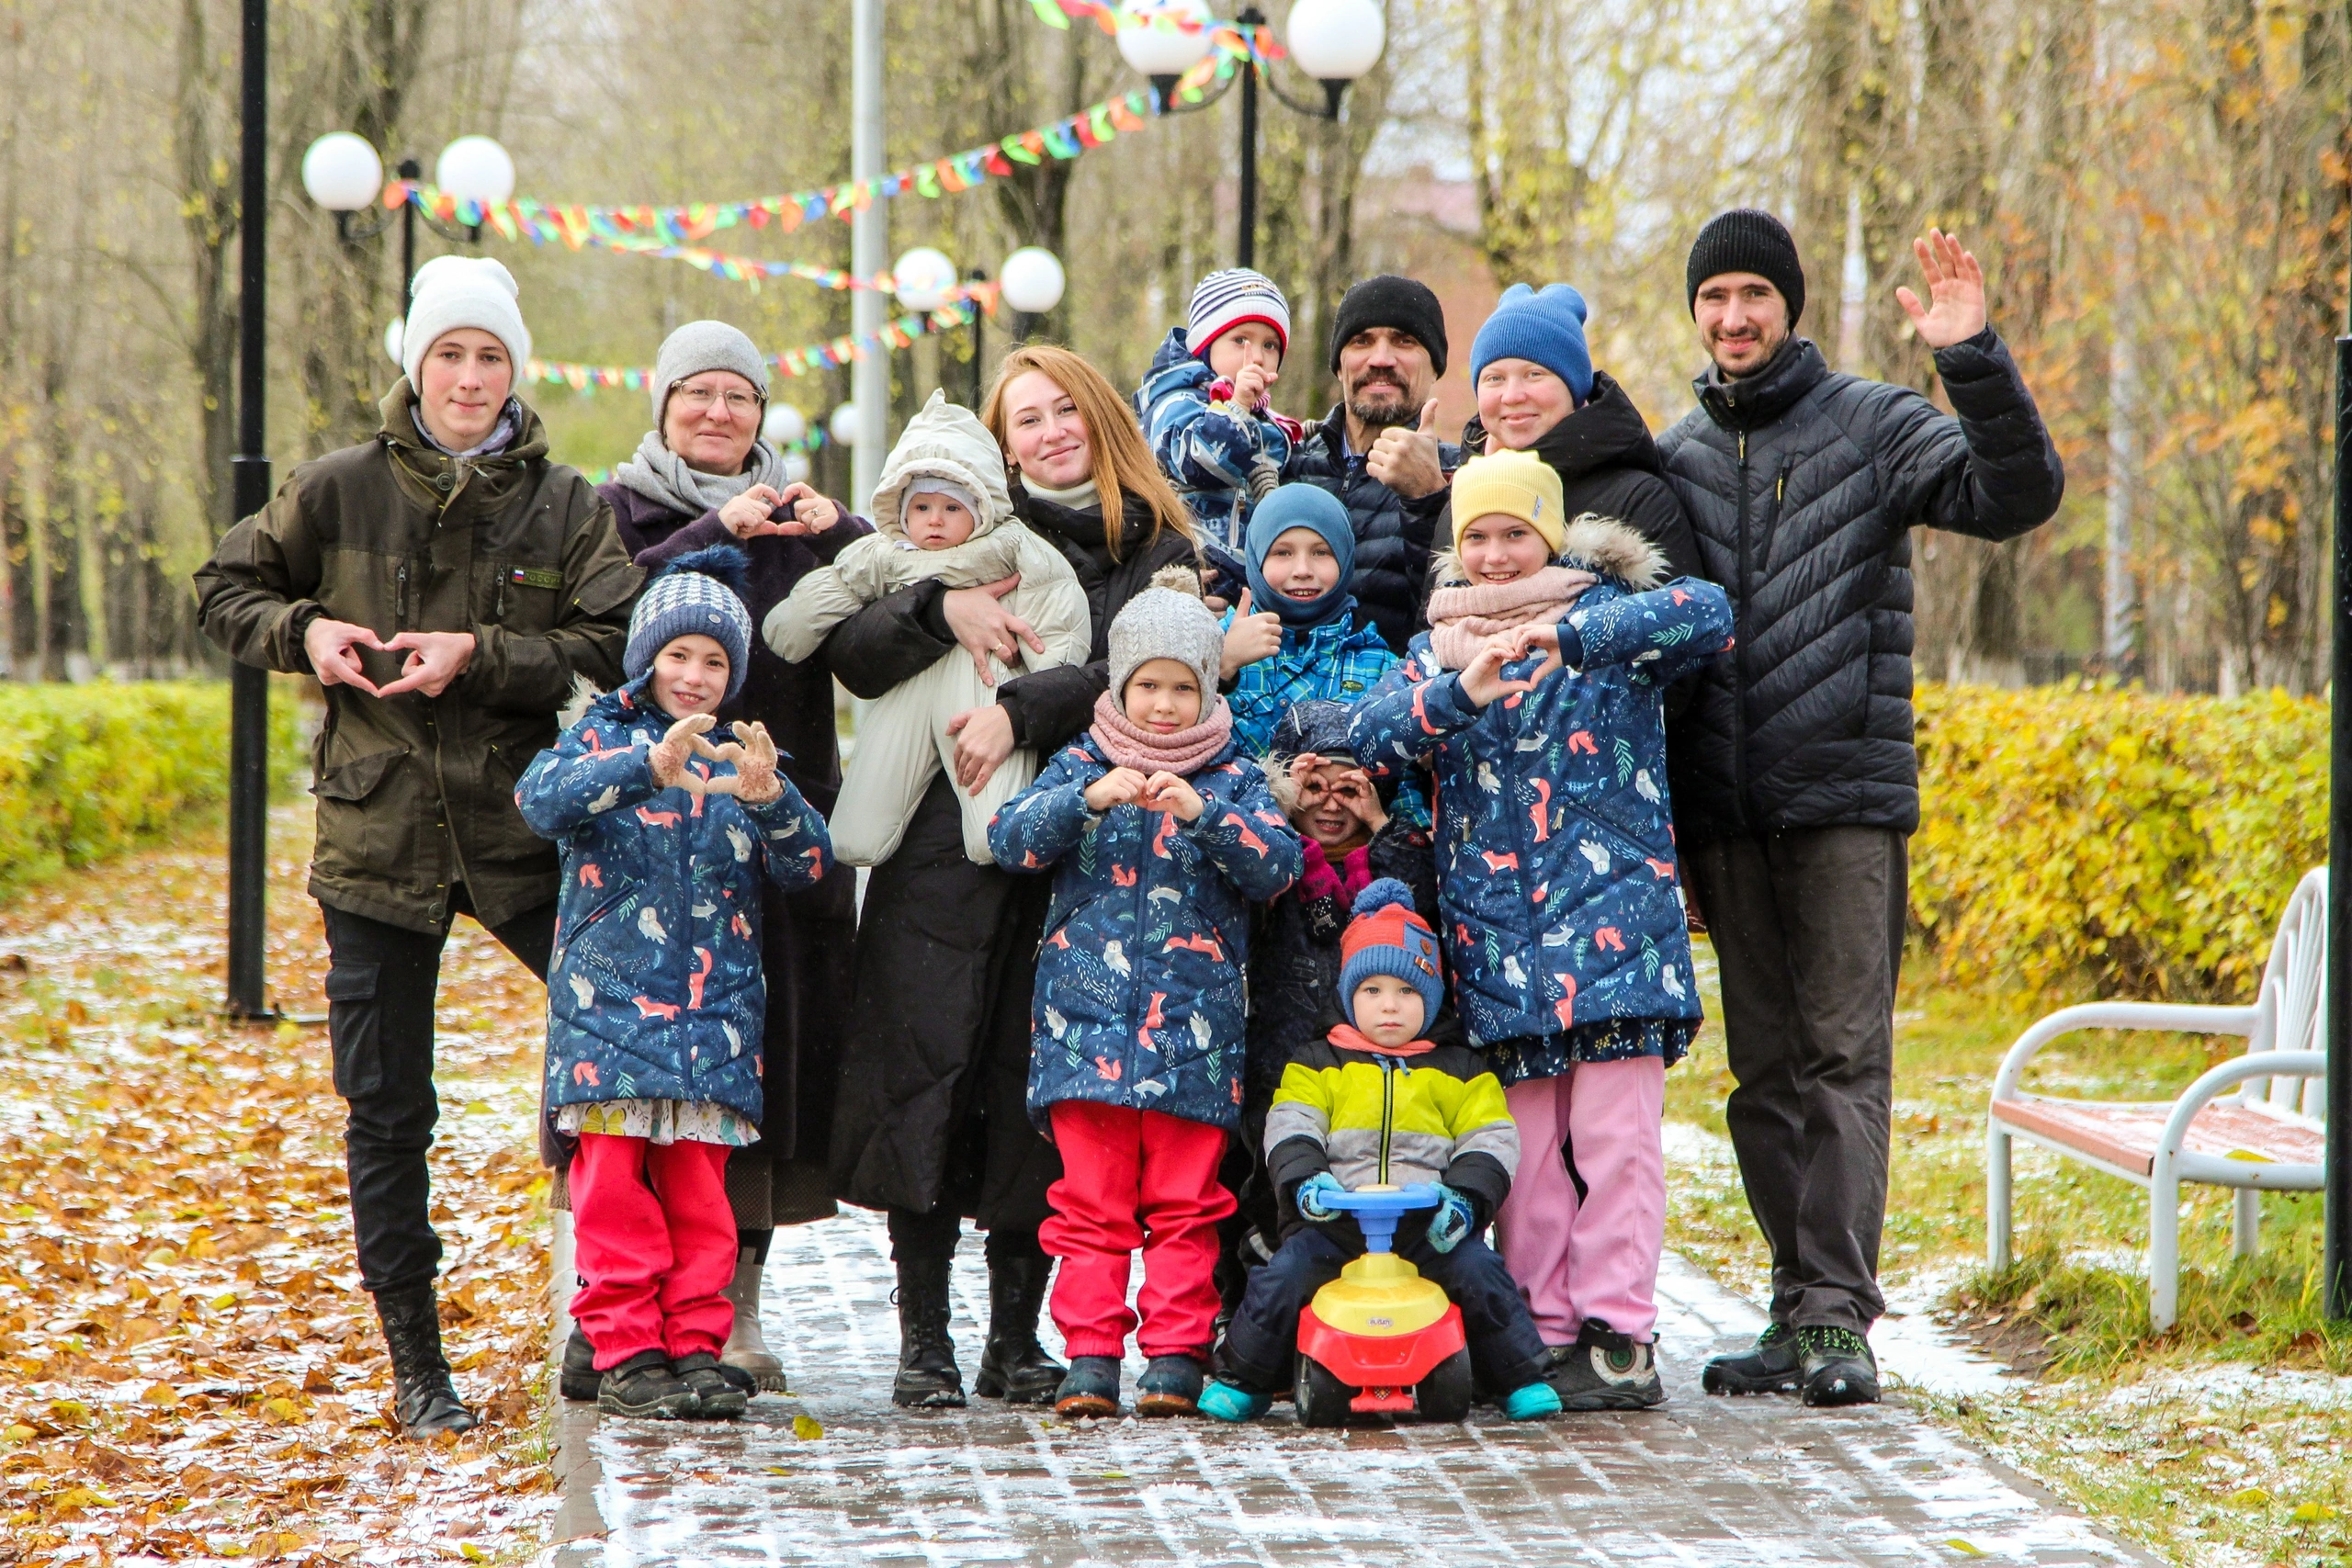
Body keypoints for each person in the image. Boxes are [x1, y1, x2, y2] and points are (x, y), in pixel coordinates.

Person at [191, 254, 641, 1436]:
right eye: (450, 352)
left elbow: (614, 636)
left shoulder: (565, 502)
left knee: (624, 1062)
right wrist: (308, 630)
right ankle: (417, 1362)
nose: (470, 376)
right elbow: (221, 590)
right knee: (388, 1105)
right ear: (415, 364)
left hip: (522, 822)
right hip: (377, 829)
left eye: (491, 355)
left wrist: (481, 654)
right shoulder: (335, 490)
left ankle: (617, 1315)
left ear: (514, 373)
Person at [1657, 212, 2065, 1406]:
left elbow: (2017, 492)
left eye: (1755, 294)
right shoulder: (1680, 453)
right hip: (1727, 814)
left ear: (1789, 305)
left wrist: (1972, 353)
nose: (1735, 316)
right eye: (1716, 295)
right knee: (1761, 1073)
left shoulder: (1873, 422)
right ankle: (1796, 1307)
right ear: (1697, 312)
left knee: (1842, 1059)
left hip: (1843, 802)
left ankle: (1839, 1314)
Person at [818, 345, 1202, 1411]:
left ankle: (1016, 1337)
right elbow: (851, 650)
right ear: (999, 443)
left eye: (1063, 411)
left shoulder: (1158, 547)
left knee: (1032, 1092)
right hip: (936, 846)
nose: (1048, 434)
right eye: (1023, 420)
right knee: (922, 1073)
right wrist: (940, 610)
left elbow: (1147, 677)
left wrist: (1020, 709)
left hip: (1085, 847)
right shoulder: (947, 528)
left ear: (1101, 418)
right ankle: (924, 1340)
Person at [1350, 451, 1734, 1409]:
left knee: (1616, 1145)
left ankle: (1617, 1333)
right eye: (1473, 536)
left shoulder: (1613, 620)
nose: (1491, 554)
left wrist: (1576, 635)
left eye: (1513, 532)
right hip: (1499, 949)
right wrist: (1455, 694)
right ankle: (1539, 1329)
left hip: (1617, 942)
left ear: (1550, 535)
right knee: (1523, 1158)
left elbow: (1709, 614)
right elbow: (1363, 735)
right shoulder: (1434, 648)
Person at [589, 319, 865, 1396]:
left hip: (778, 827)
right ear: (661, 406)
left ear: (762, 412)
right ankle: (615, 1315)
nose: (718, 412)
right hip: (639, 844)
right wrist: (714, 527)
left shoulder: (804, 520)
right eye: (696, 393)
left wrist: (845, 532)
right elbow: (600, 609)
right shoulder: (615, 509)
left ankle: (731, 1303)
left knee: (764, 1063)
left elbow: (888, 606)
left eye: (738, 396)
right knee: (620, 1072)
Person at [517, 548, 833, 1420]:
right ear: (647, 659)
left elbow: (808, 865)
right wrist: (641, 770)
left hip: (714, 1018)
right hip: (609, 1011)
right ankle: (622, 1347)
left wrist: (772, 798)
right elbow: (540, 803)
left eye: (716, 661)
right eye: (679, 656)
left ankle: (696, 1344)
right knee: (614, 1192)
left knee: (701, 1194)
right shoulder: (601, 734)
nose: (695, 676)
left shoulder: (743, 753)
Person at [988, 569, 1303, 1418]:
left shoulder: (1233, 772)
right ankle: (1090, 1354)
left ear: (1207, 689)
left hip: (1192, 1041)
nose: (1163, 706)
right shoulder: (1082, 761)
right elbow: (1008, 837)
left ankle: (1173, 1354)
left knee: (1187, 1206)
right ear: (1122, 686)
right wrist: (1084, 801)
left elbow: (1279, 865)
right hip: (1082, 1034)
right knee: (1088, 1203)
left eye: (1182, 687)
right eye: (1148, 686)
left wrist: (1207, 814)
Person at [1198, 880, 1560, 1425]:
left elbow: (1491, 1136)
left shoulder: (1459, 1068)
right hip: (1336, 1222)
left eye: (1407, 993)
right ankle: (1244, 1376)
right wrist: (1306, 1183)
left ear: (1431, 998)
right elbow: (1291, 1121)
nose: (1389, 1006)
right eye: (1372, 991)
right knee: (1284, 1276)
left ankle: (1519, 1376)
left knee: (1481, 1273)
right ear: (1348, 996)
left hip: (1427, 1224)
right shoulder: (1318, 1062)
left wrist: (1463, 1199)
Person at [766, 389, 1089, 865]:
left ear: (980, 508)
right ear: (901, 511)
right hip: (908, 683)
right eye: (921, 508)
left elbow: (1056, 602)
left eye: (952, 509)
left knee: (991, 826)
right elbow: (833, 587)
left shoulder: (1007, 545)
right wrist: (789, 629)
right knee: (859, 824)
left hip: (983, 681)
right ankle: (858, 831)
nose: (935, 521)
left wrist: (1046, 675)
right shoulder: (885, 553)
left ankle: (998, 829)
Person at [1457, 282, 1700, 581]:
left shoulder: (1638, 502)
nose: (1512, 395)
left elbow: (1685, 619)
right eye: (1494, 378)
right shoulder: (1463, 497)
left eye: (1534, 375)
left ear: (1575, 390)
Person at [1282, 276, 1463, 652]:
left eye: (1404, 341)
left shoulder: (1465, 478)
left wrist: (1428, 501)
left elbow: (1454, 631)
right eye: (1361, 340)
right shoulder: (1284, 462)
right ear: (1339, 364)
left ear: (1435, 367)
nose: (1380, 359)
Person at [1213, 483, 1404, 765]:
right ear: (1256, 556)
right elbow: (1176, 737)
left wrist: (1378, 812)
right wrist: (1223, 666)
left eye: (1321, 552)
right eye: (1283, 553)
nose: (1302, 570)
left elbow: (1401, 779)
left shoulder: (1380, 666)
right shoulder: (1212, 643)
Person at [1136, 267, 1302, 561]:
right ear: (1205, 345)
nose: (1259, 356)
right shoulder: (1176, 401)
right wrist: (1237, 407)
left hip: (1245, 572)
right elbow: (1196, 461)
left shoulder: (1257, 414)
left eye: (1270, 344)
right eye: (1240, 340)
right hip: (1193, 562)